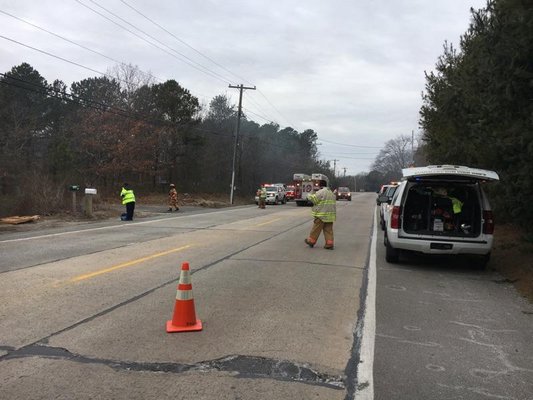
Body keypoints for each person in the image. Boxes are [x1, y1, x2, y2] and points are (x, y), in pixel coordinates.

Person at [304, 181, 336, 249]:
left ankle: (311, 241)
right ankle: (329, 244)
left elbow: (314, 199)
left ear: (320, 185)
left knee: (316, 229)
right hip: (330, 216)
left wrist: (308, 195)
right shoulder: (331, 192)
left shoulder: (321, 192)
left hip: (321, 215)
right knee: (328, 230)